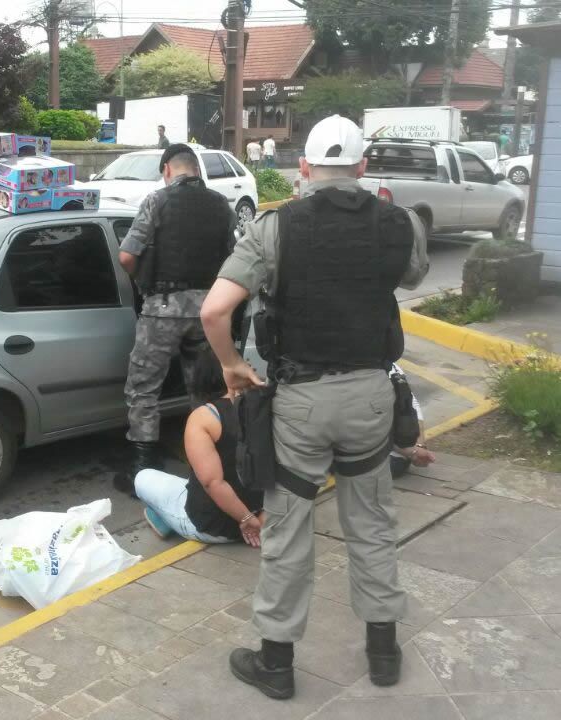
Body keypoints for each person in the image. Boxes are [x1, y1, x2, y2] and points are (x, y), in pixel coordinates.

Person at [200, 114, 429, 700]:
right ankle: (383, 653)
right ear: (362, 167)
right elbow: (412, 273)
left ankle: (276, 664)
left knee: (288, 529)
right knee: (372, 525)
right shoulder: (398, 223)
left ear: (303, 169)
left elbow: (214, 312)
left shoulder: (276, 227)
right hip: (372, 398)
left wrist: (231, 365)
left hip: (300, 403)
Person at [116, 143, 236, 492]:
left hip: (164, 309)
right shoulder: (221, 205)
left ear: (168, 169)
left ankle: (143, 466)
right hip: (208, 311)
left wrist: (144, 287)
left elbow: (126, 256)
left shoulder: (157, 201)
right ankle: (212, 466)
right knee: (203, 386)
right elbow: (234, 259)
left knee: (143, 387)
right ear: (196, 169)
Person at [136, 391, 265, 547]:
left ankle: (162, 517)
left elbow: (213, 483)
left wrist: (246, 519)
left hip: (217, 527)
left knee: (142, 477)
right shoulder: (275, 404)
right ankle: (162, 516)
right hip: (263, 515)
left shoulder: (205, 417)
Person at [388, 364, 436, 477]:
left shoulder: (393, 368)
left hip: (394, 453)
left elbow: (410, 404)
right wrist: (411, 452)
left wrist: (419, 445)